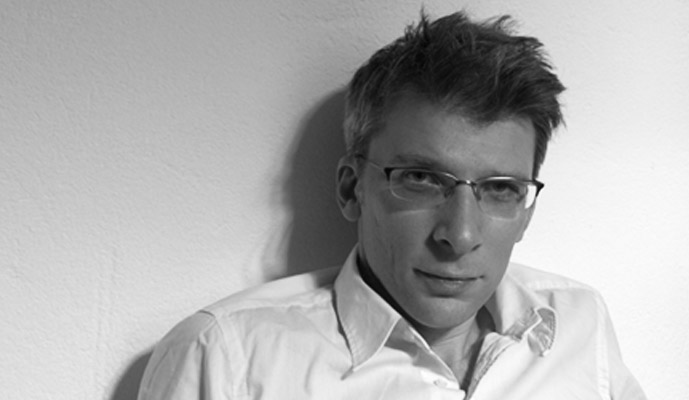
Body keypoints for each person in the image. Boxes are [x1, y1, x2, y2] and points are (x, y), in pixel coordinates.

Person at [138, 11, 646, 400]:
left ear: (527, 209)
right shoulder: (224, 357)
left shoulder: (578, 324)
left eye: (500, 189)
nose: (460, 235)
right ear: (351, 189)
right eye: (422, 179)